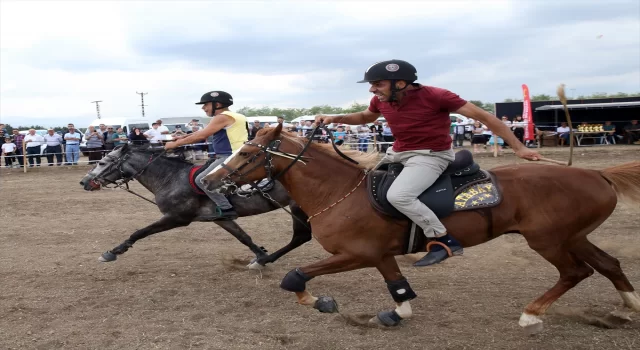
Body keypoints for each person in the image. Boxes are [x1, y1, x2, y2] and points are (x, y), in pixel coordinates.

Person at [316, 59, 541, 267]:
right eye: (372, 85)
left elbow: (486, 118)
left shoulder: (438, 96)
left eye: (378, 84)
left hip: (431, 156)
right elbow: (366, 117)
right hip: (398, 153)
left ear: (401, 83)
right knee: (367, 189)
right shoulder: (381, 100)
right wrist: (336, 117)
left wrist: (518, 147)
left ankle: (444, 240)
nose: (372, 89)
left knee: (399, 196)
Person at [164, 90, 248, 221]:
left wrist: (173, 145)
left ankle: (226, 208)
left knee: (203, 180)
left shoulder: (222, 117)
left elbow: (202, 135)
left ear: (218, 104)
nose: (203, 108)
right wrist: (182, 137)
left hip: (230, 156)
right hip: (235, 154)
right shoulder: (236, 116)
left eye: (206, 105)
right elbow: (204, 132)